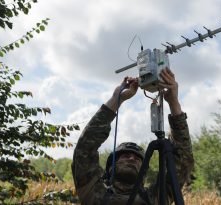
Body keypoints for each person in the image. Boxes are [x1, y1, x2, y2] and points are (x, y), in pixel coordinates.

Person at [72, 68, 194, 205]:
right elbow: (85, 148)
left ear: (144, 171)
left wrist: (173, 102)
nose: (132, 159)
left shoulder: (154, 199)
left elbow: (183, 162)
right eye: (125, 155)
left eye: (137, 158)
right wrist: (117, 99)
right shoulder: (94, 193)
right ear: (111, 166)